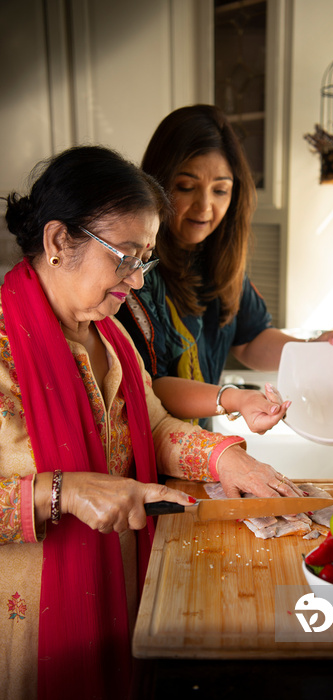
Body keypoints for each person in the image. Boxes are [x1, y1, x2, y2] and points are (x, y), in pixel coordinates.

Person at [0, 145, 304, 700]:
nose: (138, 282)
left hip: (118, 591)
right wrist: (61, 493)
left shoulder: (111, 337)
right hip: (27, 624)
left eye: (145, 261)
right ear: (58, 242)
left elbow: (156, 422)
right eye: (126, 257)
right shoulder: (3, 348)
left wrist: (223, 456)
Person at [116, 104, 333, 425]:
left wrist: (307, 351)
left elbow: (250, 339)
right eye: (186, 187)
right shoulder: (137, 273)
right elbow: (153, 388)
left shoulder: (216, 257)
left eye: (220, 190)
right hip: (151, 445)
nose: (205, 207)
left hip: (200, 444)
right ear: (157, 184)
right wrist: (234, 398)